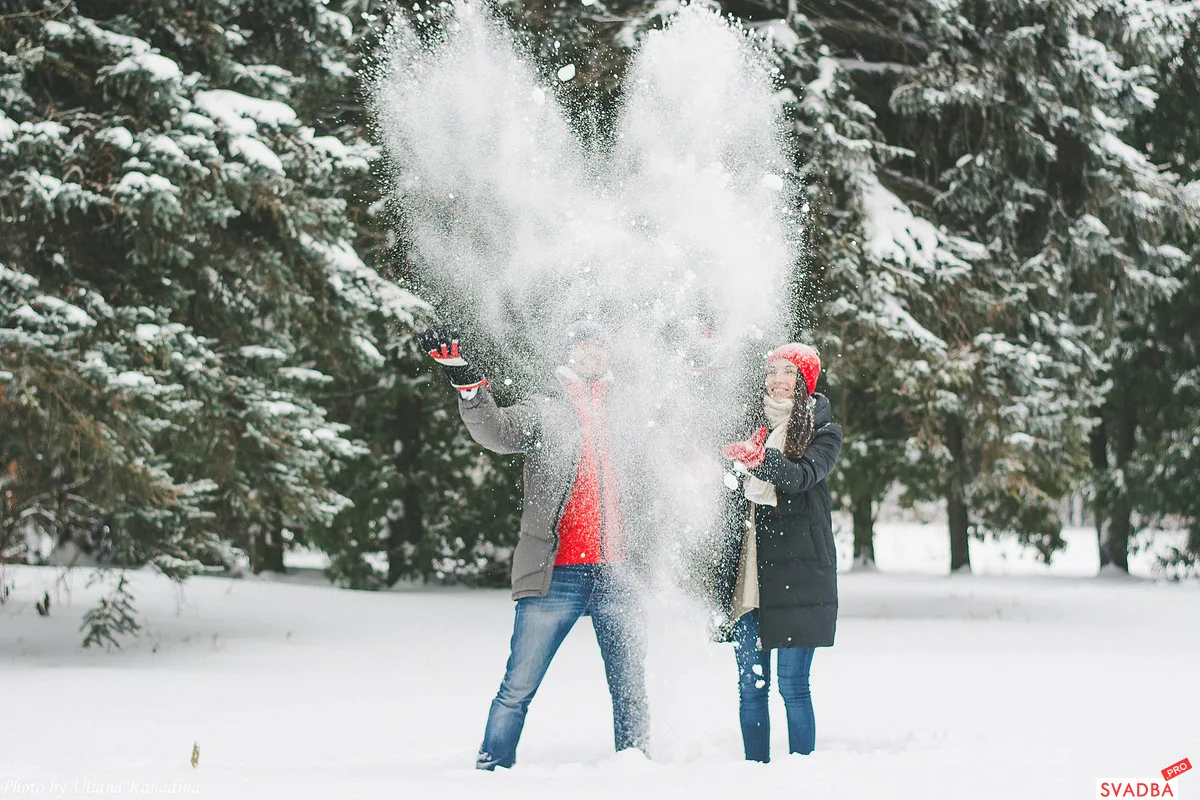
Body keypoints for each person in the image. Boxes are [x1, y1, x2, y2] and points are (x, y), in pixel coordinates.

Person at [418, 322, 649, 770]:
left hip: (620, 570)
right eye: (583, 344)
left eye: (600, 344)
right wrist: (467, 383)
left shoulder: (629, 414)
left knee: (629, 683)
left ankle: (636, 768)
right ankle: (492, 766)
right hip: (556, 570)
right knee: (519, 682)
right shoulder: (547, 410)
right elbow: (497, 432)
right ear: (569, 354)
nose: (592, 352)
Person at [713, 343, 843, 763]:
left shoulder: (824, 432)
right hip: (750, 576)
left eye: (789, 371)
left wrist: (760, 459)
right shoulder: (750, 426)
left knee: (792, 686)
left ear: (805, 380)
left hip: (799, 576)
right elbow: (730, 493)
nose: (778, 380)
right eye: (772, 372)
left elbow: (802, 476)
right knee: (751, 689)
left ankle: (801, 777)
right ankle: (755, 776)